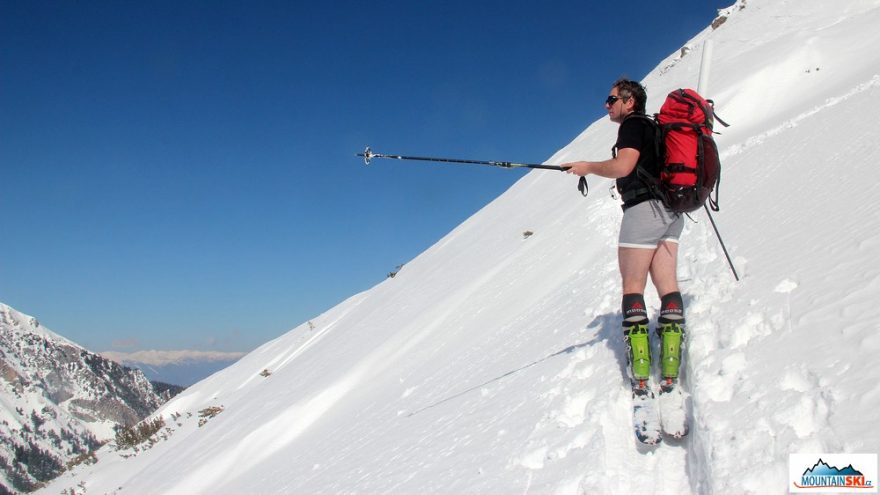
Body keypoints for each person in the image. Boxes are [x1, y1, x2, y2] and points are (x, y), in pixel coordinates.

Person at [562, 78, 686, 389]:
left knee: (633, 284)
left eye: (612, 98)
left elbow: (624, 166)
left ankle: (641, 371)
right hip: (671, 211)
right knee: (667, 285)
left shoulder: (632, 125)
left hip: (643, 210)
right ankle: (671, 366)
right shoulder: (655, 128)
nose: (606, 104)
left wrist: (587, 166)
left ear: (629, 102)